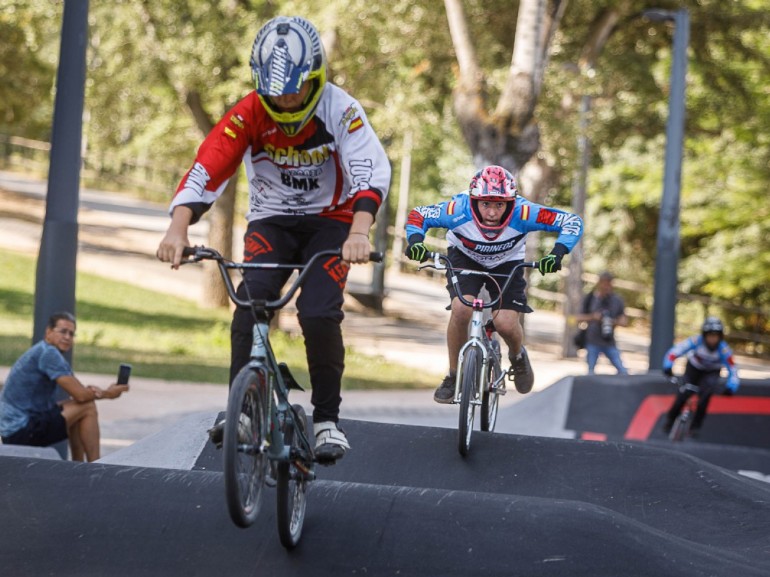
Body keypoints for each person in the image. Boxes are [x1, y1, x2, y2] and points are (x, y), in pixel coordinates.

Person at [156, 16, 390, 463]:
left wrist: (359, 232)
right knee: (250, 301)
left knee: (318, 313)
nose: (285, 99)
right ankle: (240, 410)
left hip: (334, 222)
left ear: (315, 78)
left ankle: (326, 421)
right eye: (275, 90)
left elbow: (369, 170)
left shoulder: (340, 108)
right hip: (273, 221)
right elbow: (211, 163)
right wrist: (178, 227)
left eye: (295, 89)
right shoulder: (248, 111)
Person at [404, 165, 583, 402]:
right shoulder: (457, 209)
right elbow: (419, 215)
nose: (492, 212)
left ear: (511, 202)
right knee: (461, 309)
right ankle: (453, 375)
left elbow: (571, 221)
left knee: (506, 324)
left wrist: (557, 254)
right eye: (485, 203)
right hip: (464, 256)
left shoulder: (525, 212)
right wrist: (416, 241)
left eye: (499, 204)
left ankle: (518, 357)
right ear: (474, 200)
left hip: (508, 263)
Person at [0, 312, 129, 461]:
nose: (67, 337)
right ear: (48, 332)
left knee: (81, 406)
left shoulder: (45, 351)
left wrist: (95, 392)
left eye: (72, 334)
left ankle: (78, 466)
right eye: (63, 331)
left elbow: (78, 392)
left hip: (16, 429)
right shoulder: (48, 354)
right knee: (87, 407)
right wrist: (108, 393)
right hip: (20, 432)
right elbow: (81, 395)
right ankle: (96, 465)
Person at [661, 316, 740, 435]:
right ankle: (670, 420)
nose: (712, 339)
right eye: (710, 335)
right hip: (694, 369)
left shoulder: (724, 350)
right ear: (704, 335)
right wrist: (668, 366)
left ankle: (695, 427)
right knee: (683, 392)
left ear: (720, 336)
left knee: (705, 396)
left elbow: (733, 369)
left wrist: (731, 387)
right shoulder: (695, 341)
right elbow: (675, 351)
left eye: (716, 336)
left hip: (711, 373)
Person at [574, 271, 628, 375]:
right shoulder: (590, 298)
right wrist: (593, 317)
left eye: (608, 283)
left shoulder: (617, 300)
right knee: (590, 372)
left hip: (609, 341)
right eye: (603, 283)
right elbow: (578, 318)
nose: (605, 286)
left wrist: (612, 321)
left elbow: (624, 321)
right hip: (592, 341)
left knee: (622, 371)